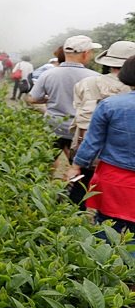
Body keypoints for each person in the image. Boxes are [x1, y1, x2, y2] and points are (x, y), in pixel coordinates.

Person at [65, 55, 135, 236]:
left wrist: (76, 166)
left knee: (106, 230)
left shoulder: (110, 105)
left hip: (114, 179)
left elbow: (92, 142)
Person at [27, 35, 101, 157]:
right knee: (78, 167)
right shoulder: (96, 78)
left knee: (47, 161)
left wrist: (50, 99)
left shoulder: (48, 74)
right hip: (80, 130)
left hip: (53, 126)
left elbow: (32, 99)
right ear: (85, 53)